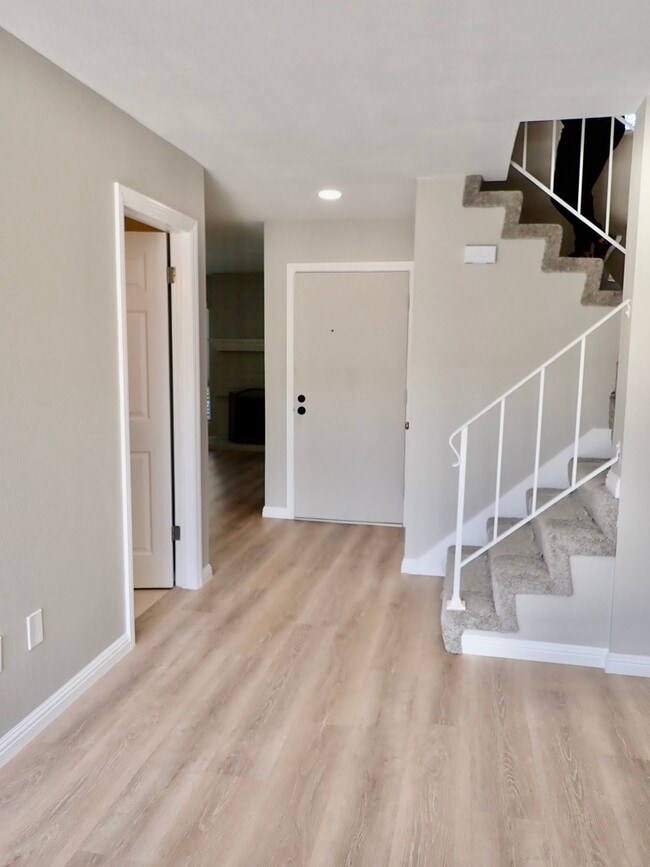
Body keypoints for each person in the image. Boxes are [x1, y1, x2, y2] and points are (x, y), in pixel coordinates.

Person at [551, 117, 625, 257]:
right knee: (578, 191)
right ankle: (584, 249)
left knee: (560, 194)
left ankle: (600, 238)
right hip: (602, 125)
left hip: (591, 125)